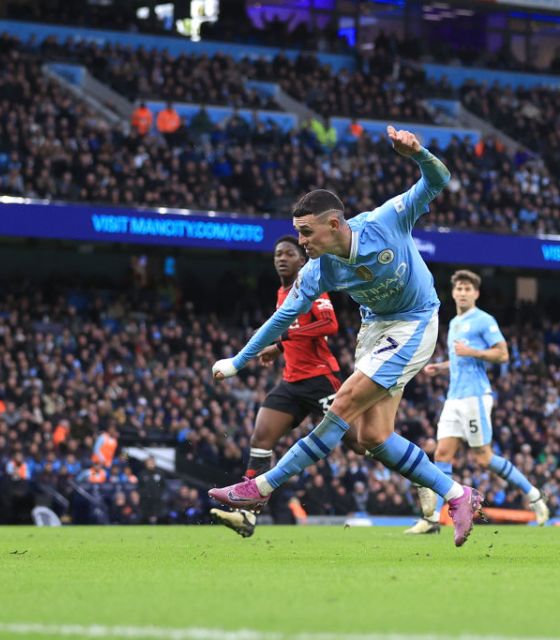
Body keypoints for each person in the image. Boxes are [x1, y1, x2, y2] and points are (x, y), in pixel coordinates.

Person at [208, 126, 483, 547]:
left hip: (415, 320)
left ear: (334, 224)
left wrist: (418, 153)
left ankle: (260, 487)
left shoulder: (387, 220)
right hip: (375, 328)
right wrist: (239, 359)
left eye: (306, 233)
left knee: (343, 403)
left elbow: (438, 180)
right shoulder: (318, 270)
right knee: (373, 437)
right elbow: (281, 319)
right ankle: (458, 494)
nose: (301, 242)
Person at [211, 235, 359, 537]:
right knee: (261, 437)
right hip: (292, 382)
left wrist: (283, 339)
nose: (282, 258)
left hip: (321, 379)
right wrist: (277, 347)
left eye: (289, 253)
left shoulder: (310, 284)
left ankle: (423, 485)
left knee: (360, 442)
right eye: (278, 253)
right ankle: (246, 515)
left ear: (301, 260)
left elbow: (329, 325)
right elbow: (295, 330)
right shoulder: (282, 293)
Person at [406, 270, 549, 533]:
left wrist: (471, 351)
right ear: (454, 292)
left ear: (476, 293)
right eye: (458, 288)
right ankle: (433, 520)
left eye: (467, 289)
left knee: (483, 458)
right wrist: (442, 367)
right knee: (442, 454)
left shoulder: (484, 320)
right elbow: (461, 360)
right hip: (454, 397)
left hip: (475, 397)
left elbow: (502, 354)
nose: (462, 292)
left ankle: (534, 496)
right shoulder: (455, 324)